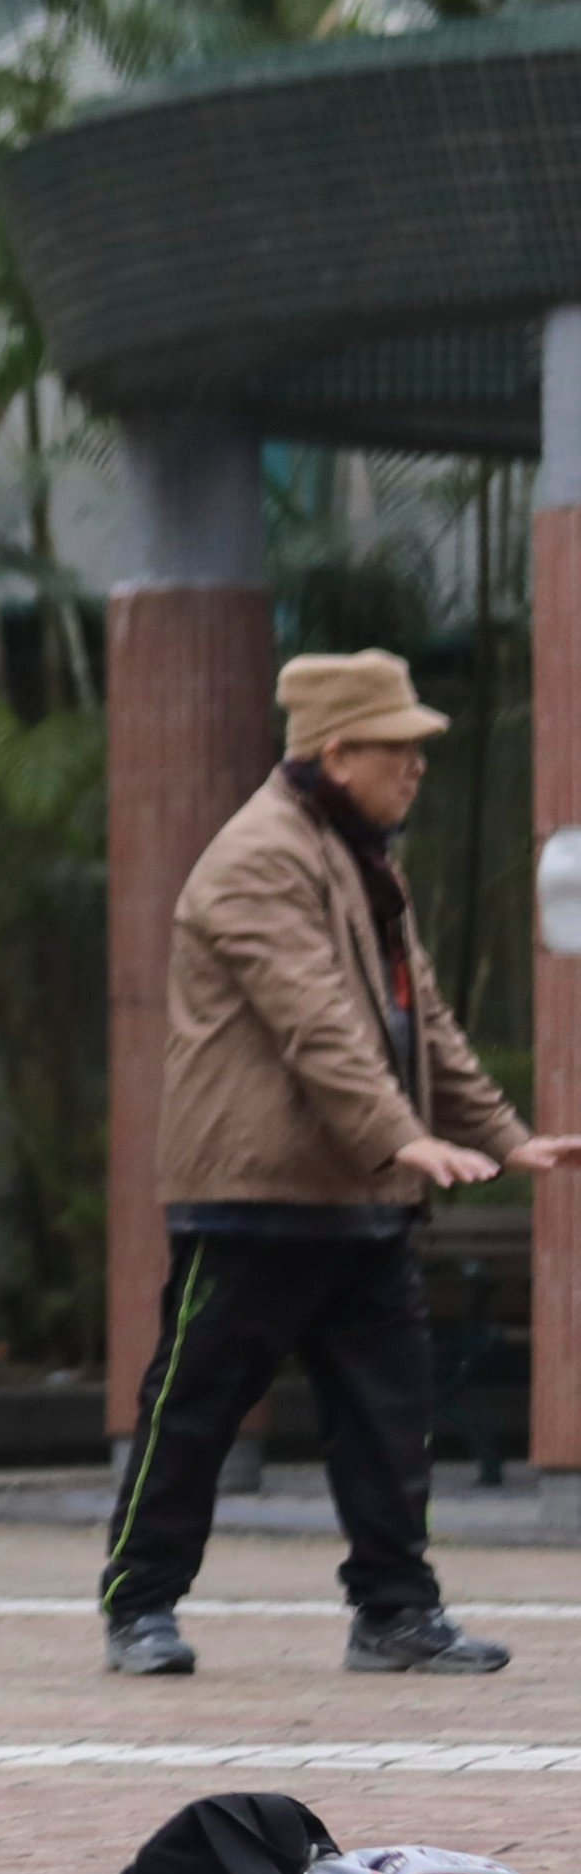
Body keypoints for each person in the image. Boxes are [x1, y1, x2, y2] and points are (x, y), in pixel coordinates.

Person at [106, 648, 578, 1678]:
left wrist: (503, 1133)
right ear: (336, 752)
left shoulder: (363, 858)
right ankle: (139, 1605)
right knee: (196, 1406)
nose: (416, 769)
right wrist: (399, 1133)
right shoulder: (258, 856)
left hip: (362, 1194)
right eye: (398, 751)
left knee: (391, 1414)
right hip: (254, 1193)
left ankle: (397, 1613)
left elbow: (423, 1020)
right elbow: (312, 1016)